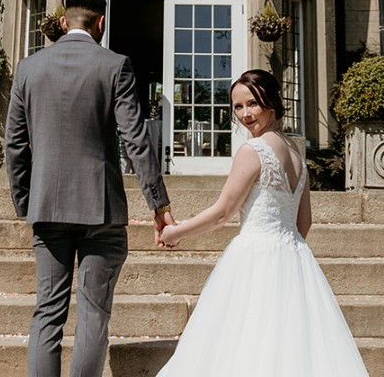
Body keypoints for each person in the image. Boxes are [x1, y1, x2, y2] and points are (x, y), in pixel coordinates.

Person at [5, 0, 174, 377]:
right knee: (94, 313)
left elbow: (14, 145)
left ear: (64, 23)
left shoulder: (28, 68)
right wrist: (159, 204)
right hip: (101, 209)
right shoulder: (115, 65)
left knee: (48, 311)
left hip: (47, 207)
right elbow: (135, 139)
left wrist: (25, 201)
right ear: (101, 22)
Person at [157, 69, 369, 377]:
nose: (245, 114)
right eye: (238, 106)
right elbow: (304, 222)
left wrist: (175, 232)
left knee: (244, 346)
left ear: (271, 102)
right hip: (295, 259)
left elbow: (223, 213)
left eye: (252, 103)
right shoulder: (297, 155)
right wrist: (288, 253)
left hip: (254, 258)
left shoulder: (253, 150)